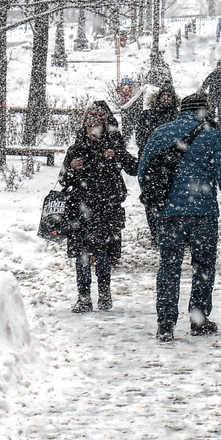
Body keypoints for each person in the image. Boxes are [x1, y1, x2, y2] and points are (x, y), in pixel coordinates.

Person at [138, 92, 221, 341]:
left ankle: (165, 322)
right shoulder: (211, 134)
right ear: (204, 110)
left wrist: (156, 200)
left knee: (169, 266)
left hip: (169, 213)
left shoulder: (161, 133)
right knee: (203, 266)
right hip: (203, 212)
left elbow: (144, 170)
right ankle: (199, 319)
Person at [61, 105, 138, 312]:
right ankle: (84, 297)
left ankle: (105, 294)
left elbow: (135, 168)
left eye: (97, 126)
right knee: (82, 255)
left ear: (104, 127)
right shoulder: (76, 150)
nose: (93, 130)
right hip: (79, 210)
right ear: (84, 128)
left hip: (106, 209)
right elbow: (62, 180)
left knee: (103, 253)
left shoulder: (112, 147)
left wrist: (118, 156)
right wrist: (71, 169)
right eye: (89, 126)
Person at [135, 85, 180, 243]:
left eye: (169, 96)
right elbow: (140, 138)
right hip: (151, 164)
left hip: (171, 164)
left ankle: (171, 231)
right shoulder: (148, 115)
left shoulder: (177, 116)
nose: (167, 99)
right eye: (164, 96)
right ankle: (156, 232)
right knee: (151, 198)